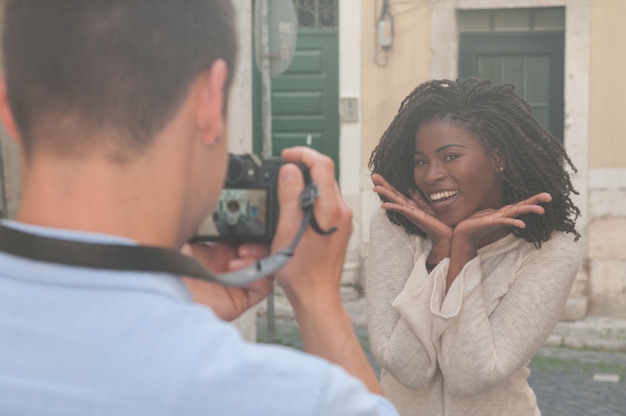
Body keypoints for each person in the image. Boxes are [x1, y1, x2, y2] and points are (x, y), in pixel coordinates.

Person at [0, 1, 398, 415]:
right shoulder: (294, 400)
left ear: (8, 107)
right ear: (210, 100)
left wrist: (171, 302)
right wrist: (318, 300)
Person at [366, 78, 581, 416]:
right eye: (421, 161)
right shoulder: (394, 229)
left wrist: (462, 251)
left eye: (450, 156)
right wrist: (439, 255)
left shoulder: (550, 252)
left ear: (498, 157)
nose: (432, 174)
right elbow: (407, 368)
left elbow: (471, 375)